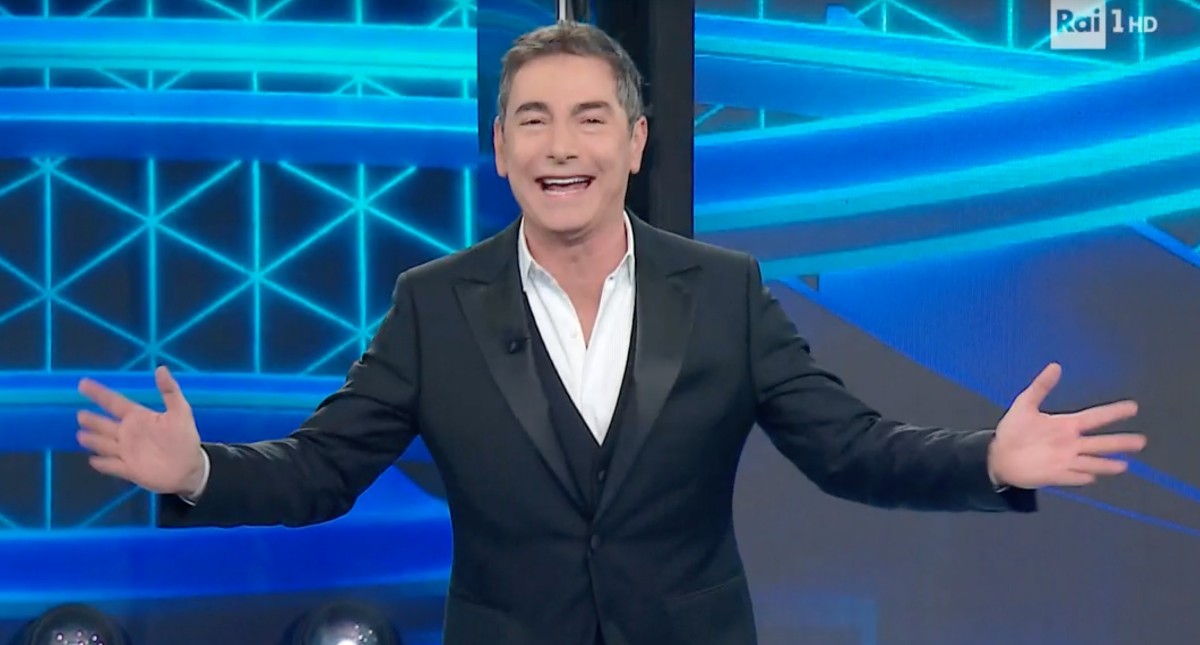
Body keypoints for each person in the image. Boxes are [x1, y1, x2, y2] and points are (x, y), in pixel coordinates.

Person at [74, 21, 1146, 645]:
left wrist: (989, 459)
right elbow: (323, 468)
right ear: (501, 148)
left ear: (635, 143)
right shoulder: (433, 303)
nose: (561, 146)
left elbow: (848, 447)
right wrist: (200, 471)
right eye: (533, 120)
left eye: (590, 118)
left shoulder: (725, 291)